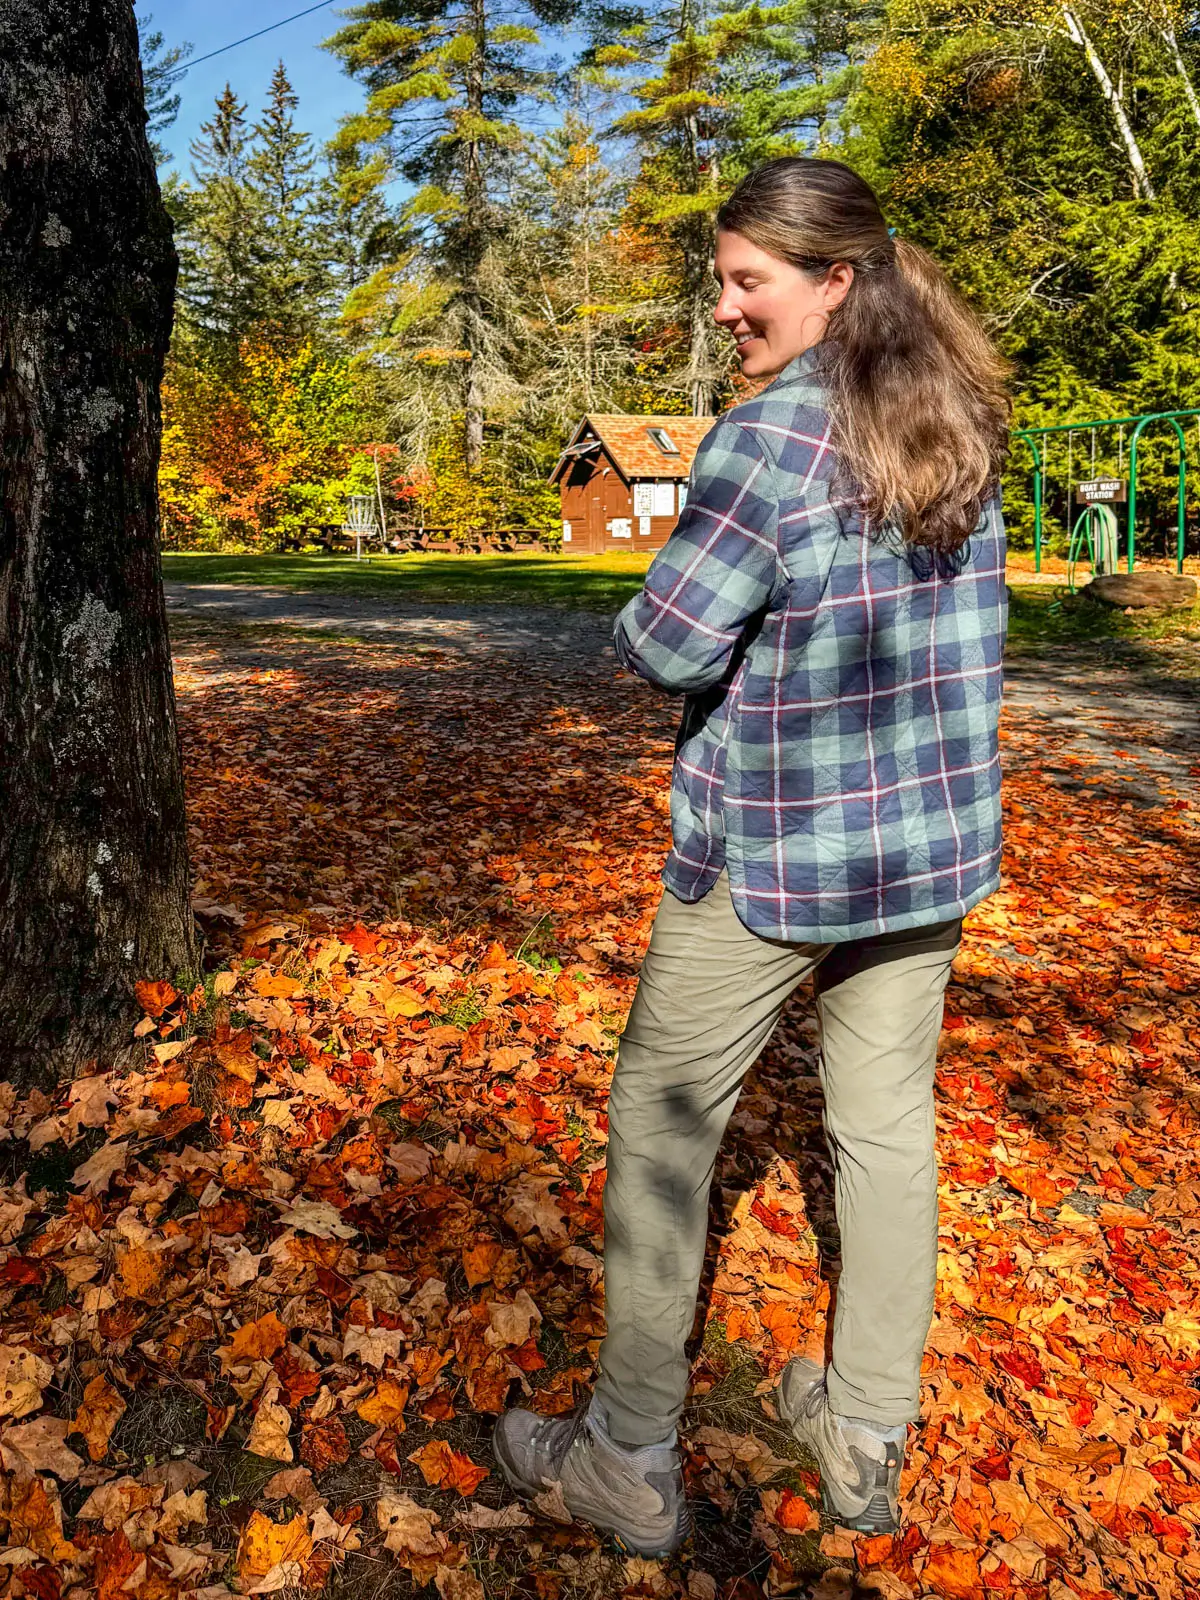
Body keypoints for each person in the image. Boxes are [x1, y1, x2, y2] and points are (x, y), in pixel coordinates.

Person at [494, 156, 1010, 1557]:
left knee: (662, 1128)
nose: (724, 307)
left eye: (747, 281)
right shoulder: (957, 412)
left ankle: (626, 1454)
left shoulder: (770, 435)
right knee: (887, 1130)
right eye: (724, 279)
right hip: (929, 851)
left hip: (780, 854)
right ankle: (862, 1429)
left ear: (835, 281)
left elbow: (667, 641)